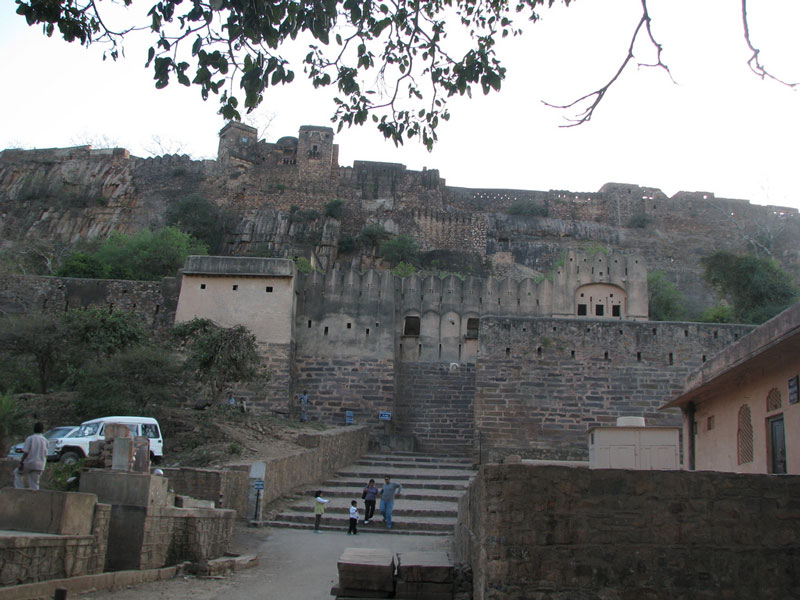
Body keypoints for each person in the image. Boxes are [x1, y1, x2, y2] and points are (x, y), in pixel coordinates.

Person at [15, 422, 48, 490]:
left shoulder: (30, 438)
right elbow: (46, 454)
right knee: (35, 483)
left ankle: (19, 489)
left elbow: (26, 452)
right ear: (43, 430)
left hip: (30, 463)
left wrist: (21, 462)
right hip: (40, 465)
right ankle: (35, 497)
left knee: (17, 472)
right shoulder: (45, 440)